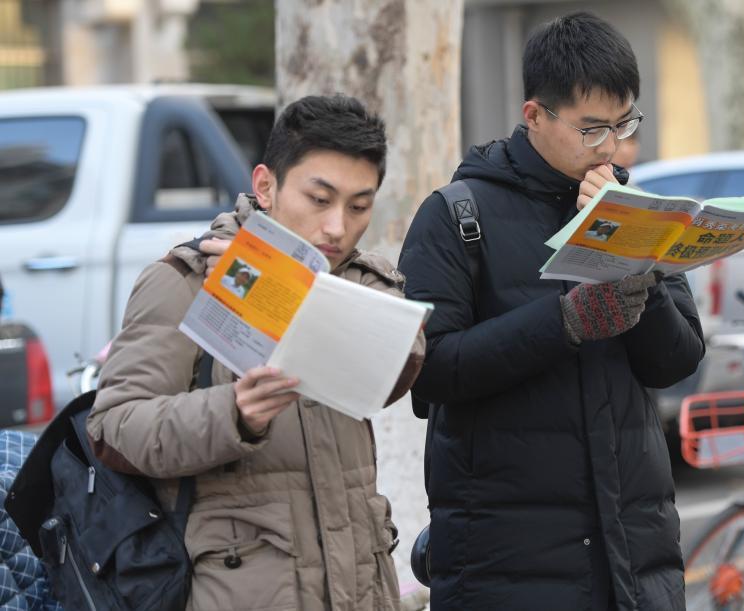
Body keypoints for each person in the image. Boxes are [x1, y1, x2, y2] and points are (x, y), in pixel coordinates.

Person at [398, 12, 704, 611]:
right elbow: (428, 371)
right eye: (591, 129)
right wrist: (564, 323)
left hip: (633, 557)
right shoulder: (457, 216)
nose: (610, 146)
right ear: (534, 115)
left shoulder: (634, 207)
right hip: (507, 565)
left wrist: (634, 256)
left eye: (623, 124)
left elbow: (677, 360)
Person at [86, 95, 424, 611]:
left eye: (359, 207)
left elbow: (403, 362)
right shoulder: (186, 279)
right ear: (265, 186)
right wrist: (233, 414)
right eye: (319, 199)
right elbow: (113, 429)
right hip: (237, 589)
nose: (337, 227)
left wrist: (289, 295)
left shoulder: (361, 283)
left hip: (360, 589)